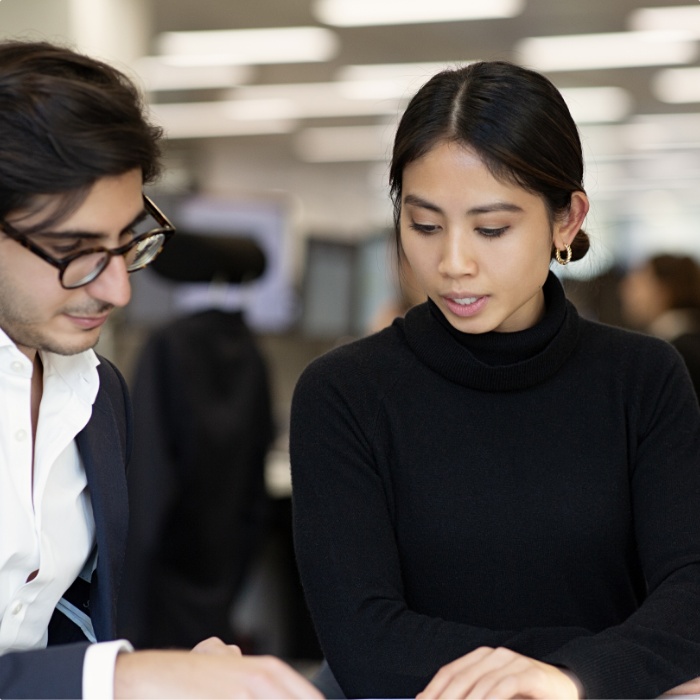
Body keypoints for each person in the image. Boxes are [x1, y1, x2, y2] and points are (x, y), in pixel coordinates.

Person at [290, 60, 700, 699]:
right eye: (424, 225)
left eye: (492, 229)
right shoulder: (344, 393)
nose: (453, 263)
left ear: (566, 221)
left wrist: (573, 678)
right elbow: (362, 639)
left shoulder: (643, 379)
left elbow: (693, 591)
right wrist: (580, 662)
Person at [0, 39, 321, 699]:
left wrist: (166, 670)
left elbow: (59, 628)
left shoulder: (94, 393)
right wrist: (120, 677)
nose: (117, 290)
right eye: (75, 251)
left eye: (128, 243)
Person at [619, 254, 700, 397]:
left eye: (639, 283)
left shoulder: (675, 351)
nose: (625, 291)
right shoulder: (685, 338)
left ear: (664, 289)